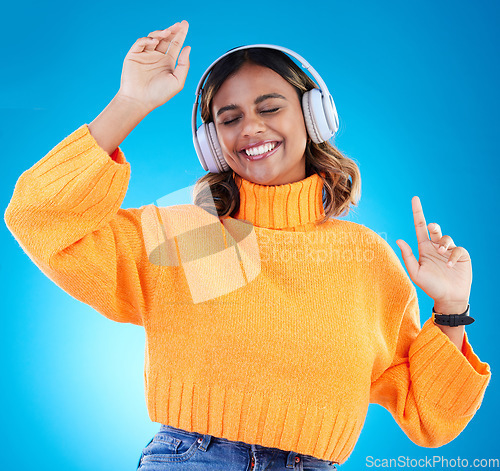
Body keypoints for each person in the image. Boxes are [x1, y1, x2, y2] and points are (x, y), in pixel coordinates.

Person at [4, 19, 492, 471]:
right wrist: (130, 101)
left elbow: (430, 418)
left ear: (314, 115)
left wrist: (450, 306)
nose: (250, 128)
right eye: (229, 117)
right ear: (212, 141)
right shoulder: (196, 236)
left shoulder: (364, 258)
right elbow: (40, 218)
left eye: (270, 107)